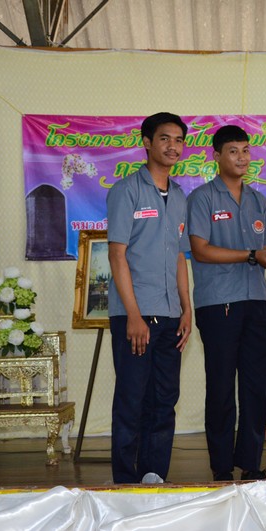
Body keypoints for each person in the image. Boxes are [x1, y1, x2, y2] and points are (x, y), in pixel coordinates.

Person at [187, 125, 266, 482]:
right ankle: (221, 465)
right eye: (233, 151)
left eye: (246, 150)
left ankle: (251, 463)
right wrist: (250, 255)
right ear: (216, 156)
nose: (242, 158)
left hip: (257, 301)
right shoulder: (202, 198)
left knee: (257, 386)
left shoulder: (258, 200)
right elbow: (200, 250)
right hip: (219, 304)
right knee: (221, 386)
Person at [106, 112, 192, 484]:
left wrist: (187, 308)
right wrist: (133, 315)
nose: (173, 146)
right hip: (135, 317)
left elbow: (179, 256)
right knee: (132, 399)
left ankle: (154, 475)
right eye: (164, 139)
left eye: (179, 140)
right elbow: (117, 255)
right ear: (146, 142)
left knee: (164, 399)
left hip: (171, 315)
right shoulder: (126, 191)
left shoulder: (180, 196)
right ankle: (126, 481)